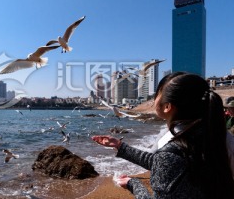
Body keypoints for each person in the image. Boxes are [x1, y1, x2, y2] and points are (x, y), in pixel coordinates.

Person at [92, 72, 234, 198]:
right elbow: (161, 162)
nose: (154, 98)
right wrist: (120, 146)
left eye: (157, 93)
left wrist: (133, 184)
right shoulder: (220, 137)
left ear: (167, 106)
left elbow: (167, 162)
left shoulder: (173, 152)